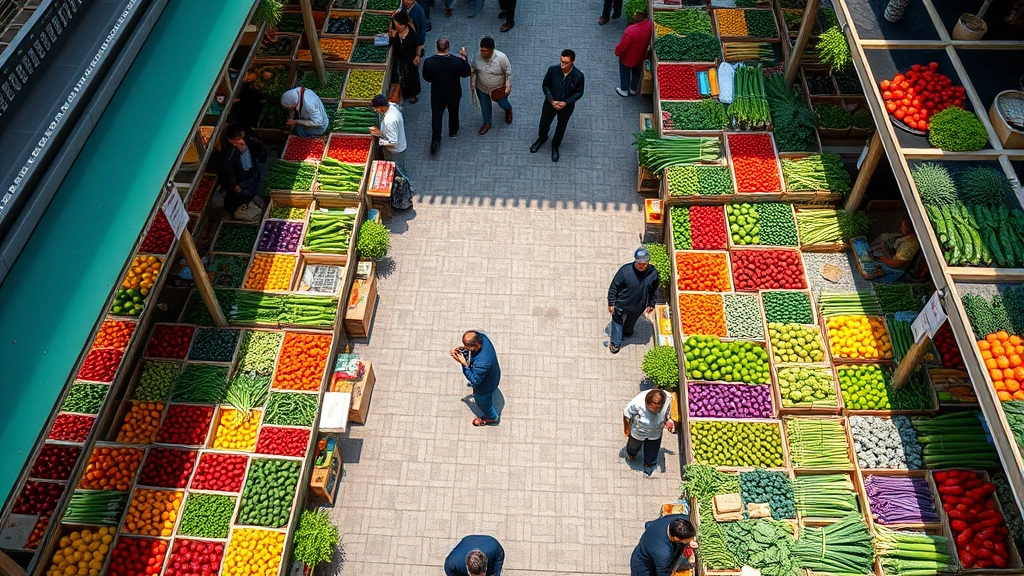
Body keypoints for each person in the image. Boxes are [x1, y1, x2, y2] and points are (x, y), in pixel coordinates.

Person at [530, 49, 585, 162]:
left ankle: (555, 146)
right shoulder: (553, 70)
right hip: (550, 104)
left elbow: (579, 92)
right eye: (561, 61)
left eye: (566, 62)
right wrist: (551, 100)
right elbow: (545, 85)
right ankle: (542, 138)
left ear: (573, 62)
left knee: (561, 127)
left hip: (566, 107)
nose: (562, 64)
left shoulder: (578, 75)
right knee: (544, 123)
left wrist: (566, 102)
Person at [422, 38, 472, 154]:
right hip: (453, 93)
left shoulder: (429, 62)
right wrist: (464, 58)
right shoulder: (457, 62)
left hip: (437, 93)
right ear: (448, 48)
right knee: (453, 112)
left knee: (437, 116)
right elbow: (466, 73)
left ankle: (435, 140)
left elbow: (427, 77)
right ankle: (453, 131)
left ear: (436, 48)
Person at [607, 247, 659, 354]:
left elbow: (654, 290)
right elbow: (614, 287)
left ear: (648, 262)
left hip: (639, 306)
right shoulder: (625, 271)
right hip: (622, 303)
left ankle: (627, 332)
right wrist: (611, 303)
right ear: (635, 260)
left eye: (644, 263)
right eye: (639, 263)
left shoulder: (653, 273)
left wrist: (651, 304)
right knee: (617, 321)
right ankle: (615, 343)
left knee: (631, 322)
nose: (641, 266)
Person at [218, 125, 268, 222]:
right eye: (236, 140)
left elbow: (259, 150)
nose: (240, 141)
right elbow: (227, 169)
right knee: (241, 195)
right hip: (241, 178)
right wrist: (234, 185)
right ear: (230, 140)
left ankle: (251, 204)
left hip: (251, 172)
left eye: (241, 138)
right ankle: (241, 210)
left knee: (251, 189)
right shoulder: (229, 153)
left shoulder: (248, 140)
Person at [450, 330, 501, 426]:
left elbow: (475, 380)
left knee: (484, 403)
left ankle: (492, 418)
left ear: (477, 345)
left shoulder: (481, 364)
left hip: (483, 389)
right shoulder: (483, 338)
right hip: (494, 376)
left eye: (468, 347)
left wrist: (464, 364)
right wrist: (463, 350)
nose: (466, 348)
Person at [623, 389, 675, 475]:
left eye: (658, 408)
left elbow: (667, 411)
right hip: (639, 430)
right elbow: (626, 415)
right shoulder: (637, 403)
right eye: (652, 407)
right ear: (647, 403)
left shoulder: (668, 398)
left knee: (653, 448)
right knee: (633, 446)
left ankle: (649, 463)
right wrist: (627, 430)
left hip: (656, 431)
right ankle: (631, 455)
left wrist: (668, 420)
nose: (655, 410)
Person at [470, 37, 513, 135]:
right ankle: (487, 123)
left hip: (498, 89)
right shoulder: (477, 58)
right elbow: (473, 71)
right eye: (482, 50)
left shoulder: (501, 58)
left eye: (486, 51)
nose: (483, 53)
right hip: (482, 88)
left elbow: (508, 72)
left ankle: (508, 110)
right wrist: (472, 84)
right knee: (485, 106)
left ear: (492, 49)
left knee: (503, 104)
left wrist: (508, 85)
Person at [630, 515, 698, 576]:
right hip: (644, 566)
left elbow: (648, 524)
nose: (687, 542)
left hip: (651, 540)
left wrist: (688, 542)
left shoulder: (678, 521)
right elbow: (663, 573)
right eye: (685, 540)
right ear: (674, 537)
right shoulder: (663, 553)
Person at [369, 94, 410, 181]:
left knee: (400, 171)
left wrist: (380, 141)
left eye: (376, 108)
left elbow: (393, 142)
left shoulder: (389, 120)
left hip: (395, 151)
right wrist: (380, 132)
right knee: (397, 168)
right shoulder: (392, 106)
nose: (375, 110)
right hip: (401, 144)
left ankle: (408, 187)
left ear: (382, 107)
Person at [614, 11, 653, 97]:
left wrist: (617, 52)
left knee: (625, 72)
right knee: (636, 72)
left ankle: (624, 89)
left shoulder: (630, 31)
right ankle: (633, 89)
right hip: (640, 55)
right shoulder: (649, 25)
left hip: (628, 56)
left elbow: (622, 45)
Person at [390, 10, 423, 104]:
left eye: (397, 25)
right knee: (400, 76)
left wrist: (417, 56)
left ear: (403, 25)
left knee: (410, 77)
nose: (396, 26)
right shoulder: (396, 31)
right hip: (399, 59)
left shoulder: (411, 35)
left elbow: (418, 46)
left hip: (409, 60)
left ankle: (412, 95)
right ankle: (402, 92)